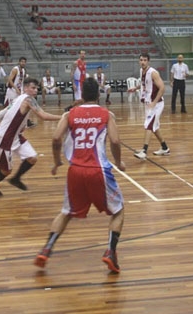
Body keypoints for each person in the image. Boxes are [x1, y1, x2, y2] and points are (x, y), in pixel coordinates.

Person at [34, 77, 126, 273]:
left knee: (66, 212)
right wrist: (119, 163)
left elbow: (56, 138)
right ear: (99, 95)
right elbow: (116, 141)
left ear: (81, 95)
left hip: (75, 170)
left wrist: (57, 160)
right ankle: (110, 251)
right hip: (98, 170)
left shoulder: (70, 114)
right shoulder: (106, 114)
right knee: (118, 211)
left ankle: (47, 248)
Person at [0, 78, 62, 196]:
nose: (36, 90)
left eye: (37, 88)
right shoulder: (28, 99)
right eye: (33, 88)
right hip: (5, 139)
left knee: (32, 158)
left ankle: (16, 179)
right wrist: (63, 117)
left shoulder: (17, 99)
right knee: (6, 171)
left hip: (16, 136)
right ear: (25, 88)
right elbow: (43, 116)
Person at [132, 52, 170, 159]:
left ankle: (144, 150)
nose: (143, 62)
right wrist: (135, 88)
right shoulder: (141, 71)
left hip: (157, 104)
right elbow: (144, 84)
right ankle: (165, 148)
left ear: (148, 61)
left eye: (145, 60)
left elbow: (162, 88)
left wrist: (154, 102)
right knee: (155, 127)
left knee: (148, 124)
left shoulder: (153, 73)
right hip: (149, 104)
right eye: (141, 60)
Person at [5, 56, 35, 128]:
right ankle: (7, 121)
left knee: (23, 105)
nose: (23, 63)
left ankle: (25, 121)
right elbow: (10, 80)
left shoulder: (24, 71)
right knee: (9, 107)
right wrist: (16, 88)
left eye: (24, 62)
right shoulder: (15, 69)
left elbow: (22, 82)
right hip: (12, 90)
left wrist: (23, 90)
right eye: (22, 61)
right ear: (19, 62)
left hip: (19, 91)